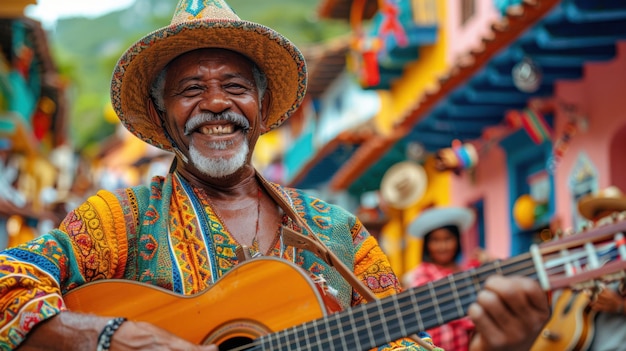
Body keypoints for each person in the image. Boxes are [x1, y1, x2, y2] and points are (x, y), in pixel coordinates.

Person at [0, 1, 549, 350]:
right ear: (163, 111)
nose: (216, 104)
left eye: (236, 87)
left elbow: (406, 345)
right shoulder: (118, 219)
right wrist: (119, 335)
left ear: (261, 108)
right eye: (191, 90)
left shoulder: (337, 233)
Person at [406, 207, 489, 351]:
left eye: (448, 238)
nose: (442, 246)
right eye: (435, 240)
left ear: (457, 240)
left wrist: (486, 264)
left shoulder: (465, 271)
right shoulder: (422, 274)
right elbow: (445, 307)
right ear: (426, 245)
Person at [577, 186, 626, 351]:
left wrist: (619, 305)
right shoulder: (586, 256)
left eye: (611, 214)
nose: (603, 220)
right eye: (598, 215)